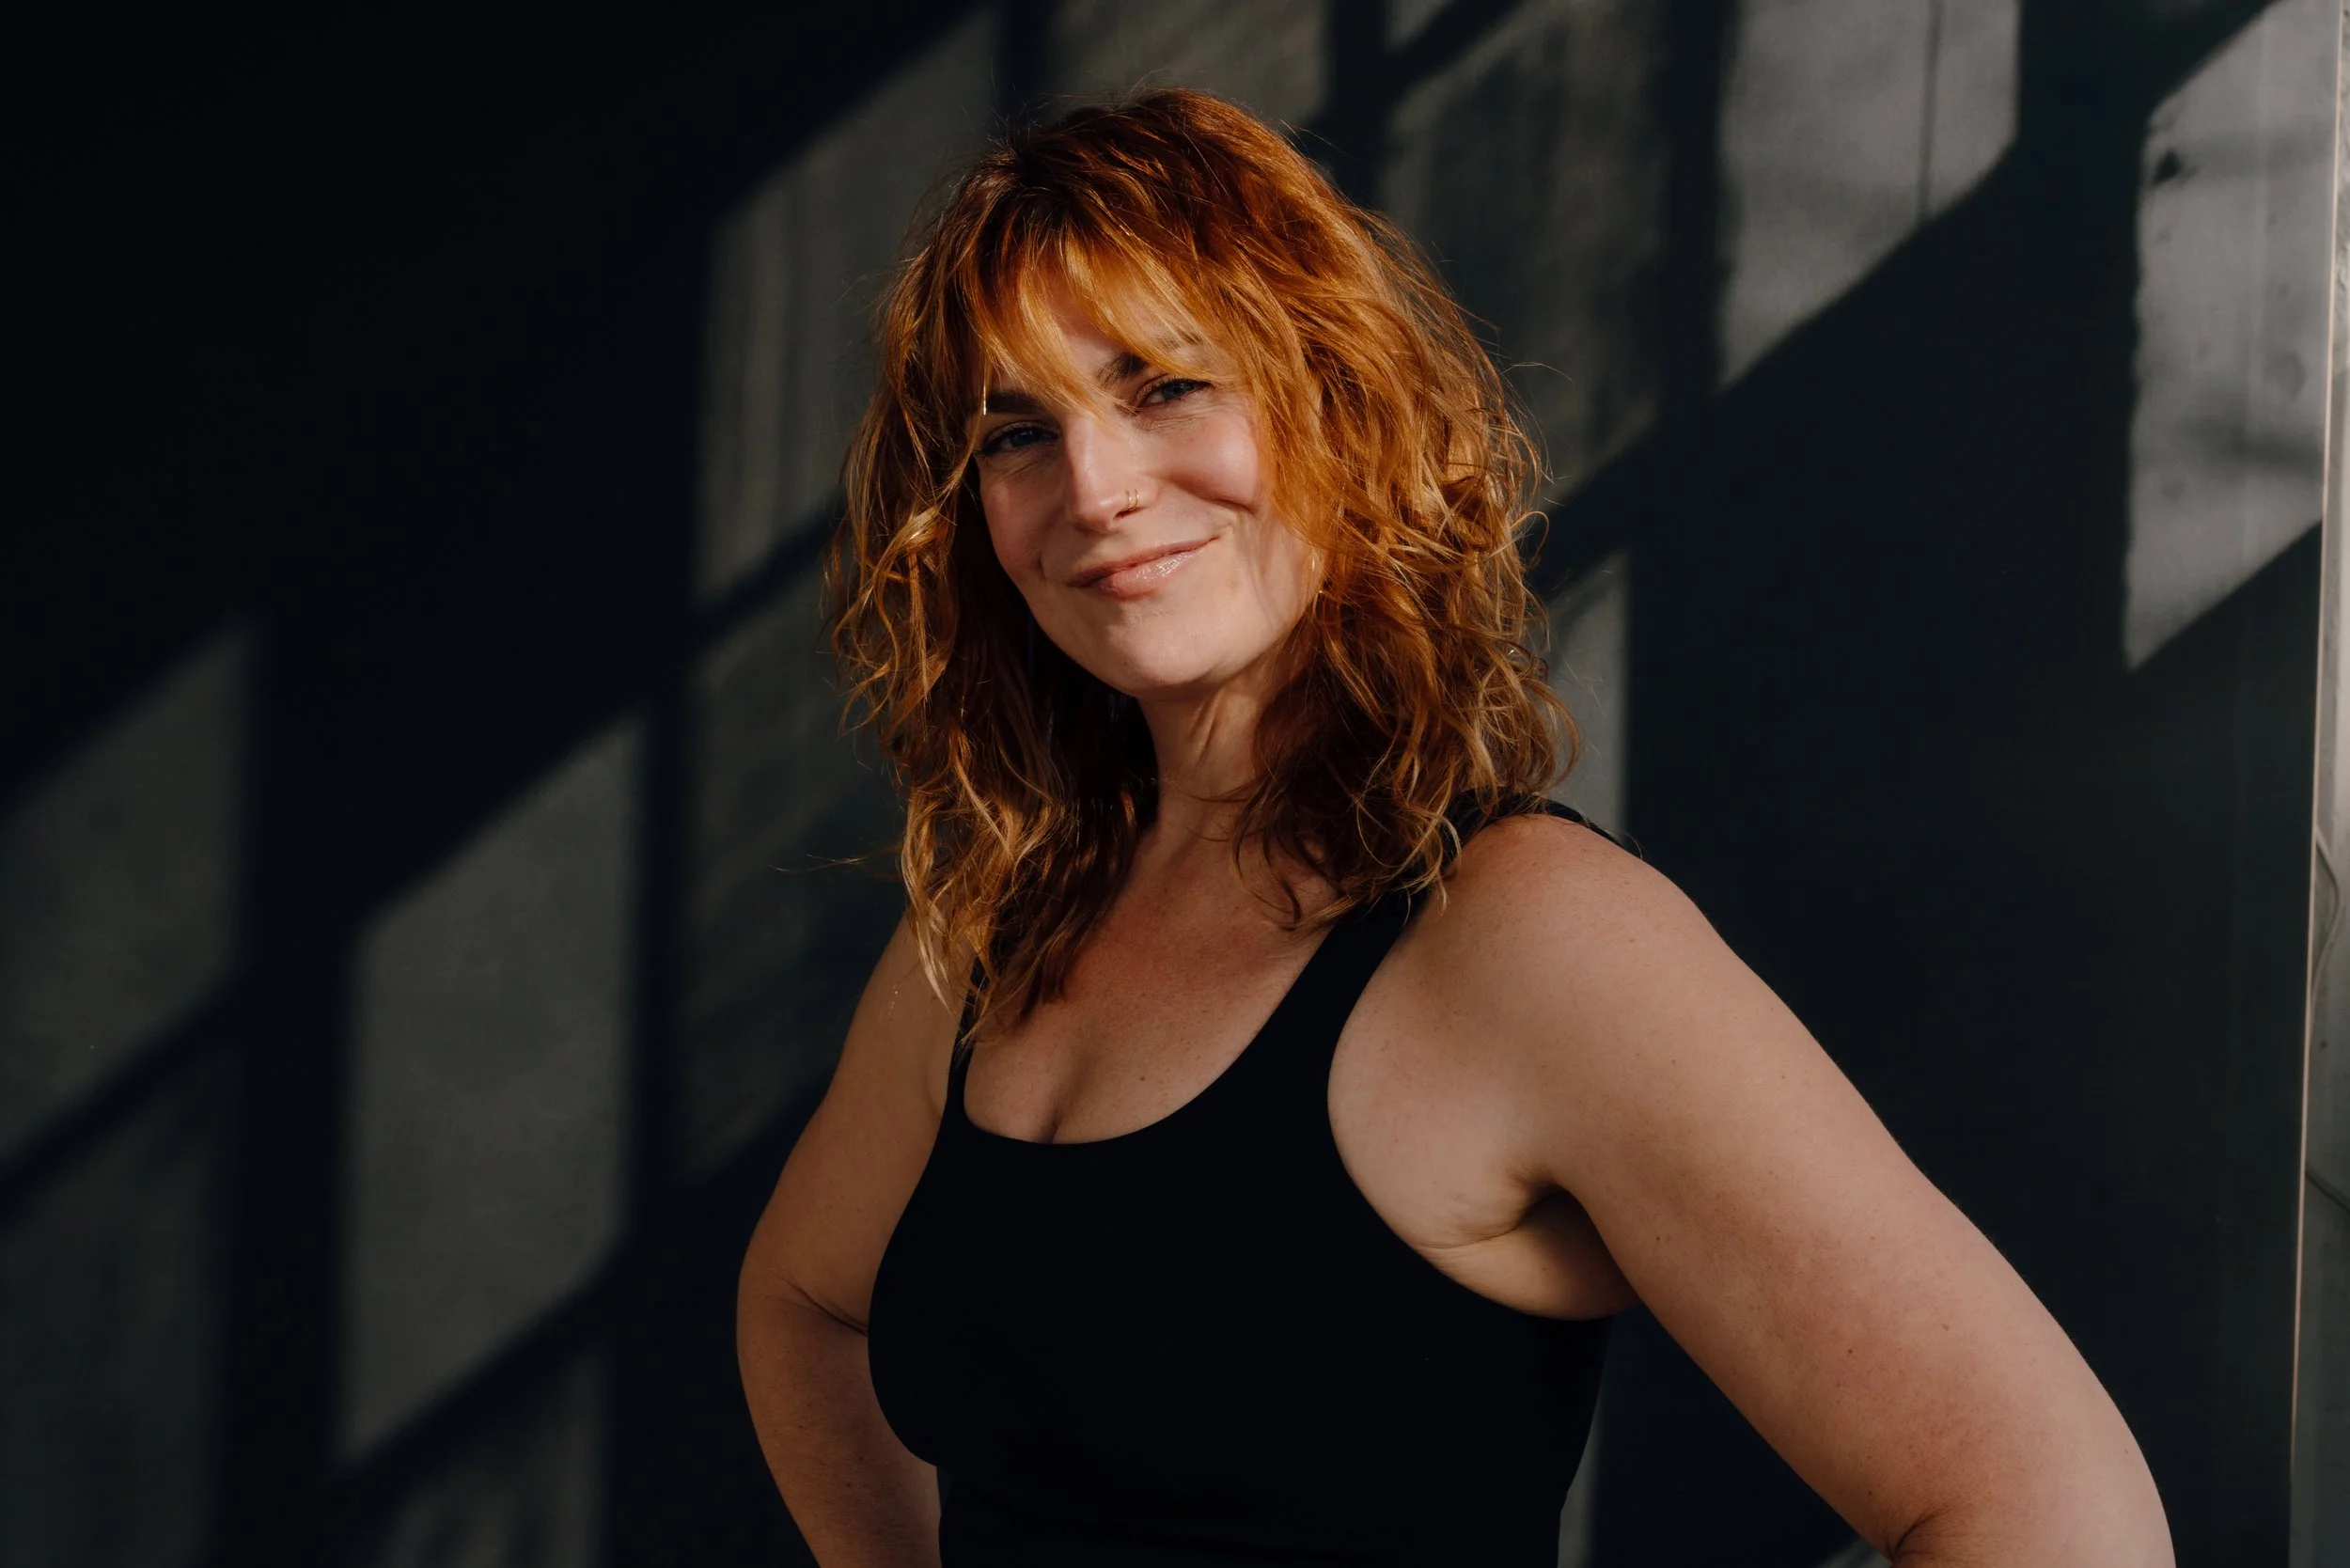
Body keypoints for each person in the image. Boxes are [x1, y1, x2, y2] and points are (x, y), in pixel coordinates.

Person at [735, 88, 2171, 1567]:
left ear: (1336, 403)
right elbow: (801, 1305)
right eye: (1020, 435)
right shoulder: (997, 923)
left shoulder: (1532, 937)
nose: (1095, 490)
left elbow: (2057, 1517)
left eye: (1165, 388)